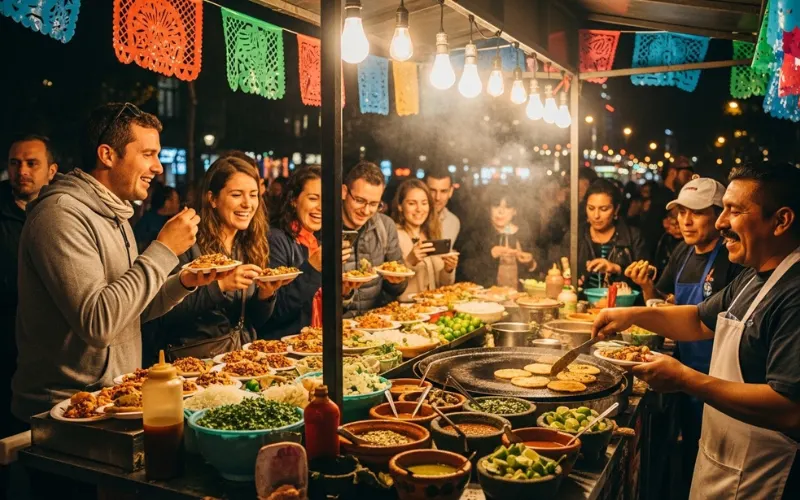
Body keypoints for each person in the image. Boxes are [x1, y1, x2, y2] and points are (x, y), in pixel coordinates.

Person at [593, 162, 800, 499]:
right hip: (723, 460)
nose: (721, 222)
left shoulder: (793, 291)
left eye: (733, 210)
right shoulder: (753, 276)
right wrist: (629, 314)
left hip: (767, 477)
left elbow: (791, 408)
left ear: (781, 220)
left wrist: (685, 378)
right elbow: (699, 321)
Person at [11, 103, 220, 425]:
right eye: (148, 154)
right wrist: (164, 249)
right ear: (107, 155)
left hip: (114, 398)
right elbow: (99, 323)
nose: (158, 168)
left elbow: (129, 311)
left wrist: (183, 283)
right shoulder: (60, 215)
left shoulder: (116, 213)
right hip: (63, 412)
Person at [624, 176, 743, 483]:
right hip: (679, 369)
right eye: (680, 212)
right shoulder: (681, 252)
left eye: (697, 212)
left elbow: (720, 322)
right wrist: (646, 287)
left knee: (712, 461)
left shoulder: (733, 259)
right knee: (681, 452)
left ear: (719, 217)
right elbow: (661, 304)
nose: (686, 221)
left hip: (717, 377)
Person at [150, 156, 294, 359]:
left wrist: (266, 295)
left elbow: (253, 321)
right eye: (237, 195)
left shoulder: (250, 243)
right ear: (213, 199)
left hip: (242, 360)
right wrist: (220, 286)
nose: (247, 204)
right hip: (193, 363)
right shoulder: (187, 241)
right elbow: (161, 313)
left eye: (253, 195)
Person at [262, 165, 362, 338]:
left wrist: (344, 292)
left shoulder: (320, 239)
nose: (321, 207)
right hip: (286, 348)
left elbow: (328, 308)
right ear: (293, 200)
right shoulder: (276, 239)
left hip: (319, 343)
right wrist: (313, 268)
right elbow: (275, 312)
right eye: (313, 198)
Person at [1, 135, 58, 435]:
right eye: (15, 163)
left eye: (31, 163)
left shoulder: (61, 214)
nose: (21, 170)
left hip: (48, 354)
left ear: (51, 170)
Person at [342, 161, 408, 313]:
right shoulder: (323, 227)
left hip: (373, 322)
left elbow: (398, 288)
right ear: (344, 192)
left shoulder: (385, 226)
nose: (365, 211)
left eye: (373, 204)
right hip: (334, 327)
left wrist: (396, 282)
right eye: (359, 201)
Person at [392, 179, 458, 300]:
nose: (419, 209)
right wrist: (409, 262)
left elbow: (443, 286)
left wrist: (448, 270)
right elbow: (389, 286)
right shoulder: (393, 236)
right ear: (400, 206)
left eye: (424, 203)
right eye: (412, 203)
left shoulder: (433, 233)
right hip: (405, 312)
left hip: (433, 308)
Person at [460, 185, 536, 287]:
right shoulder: (477, 234)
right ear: (489, 208)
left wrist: (530, 263)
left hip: (520, 298)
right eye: (496, 206)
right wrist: (490, 255)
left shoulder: (523, 233)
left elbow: (539, 275)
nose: (501, 212)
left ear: (515, 211)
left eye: (507, 207)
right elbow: (465, 273)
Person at [579, 179, 647, 289]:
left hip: (622, 304)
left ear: (616, 210)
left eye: (604, 209)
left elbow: (645, 280)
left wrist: (617, 269)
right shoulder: (576, 236)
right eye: (591, 208)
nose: (596, 215)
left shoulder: (633, 237)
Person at [134, 182, 180, 252]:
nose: (178, 205)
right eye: (175, 200)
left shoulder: (174, 220)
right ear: (166, 202)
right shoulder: (147, 220)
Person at [425, 170, 460, 246]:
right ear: (424, 190)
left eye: (443, 191)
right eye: (432, 191)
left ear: (451, 192)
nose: (437, 197)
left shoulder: (453, 222)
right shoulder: (414, 218)